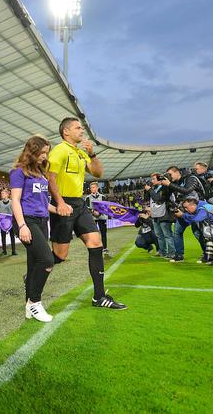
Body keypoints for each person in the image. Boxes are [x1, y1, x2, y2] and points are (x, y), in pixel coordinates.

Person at [47, 117, 126, 310]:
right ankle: (35, 272)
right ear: (66, 131)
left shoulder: (81, 153)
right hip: (62, 205)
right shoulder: (59, 150)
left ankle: (99, 296)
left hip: (79, 204)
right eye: (77, 128)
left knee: (96, 244)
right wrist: (59, 203)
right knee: (60, 256)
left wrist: (92, 154)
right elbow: (51, 178)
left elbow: (98, 173)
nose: (82, 131)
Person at [11, 135, 58, 322]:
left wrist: (59, 209)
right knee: (47, 260)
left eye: (47, 153)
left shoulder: (41, 174)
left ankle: (28, 306)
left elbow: (44, 203)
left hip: (41, 221)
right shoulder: (18, 172)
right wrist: (22, 225)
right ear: (32, 151)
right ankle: (34, 302)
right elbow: (15, 200)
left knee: (34, 264)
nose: (45, 157)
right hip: (26, 221)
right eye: (42, 152)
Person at [160, 166, 207, 263]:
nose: (169, 176)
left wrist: (170, 184)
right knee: (177, 232)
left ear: (177, 172)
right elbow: (164, 197)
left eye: (170, 174)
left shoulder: (191, 178)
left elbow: (187, 190)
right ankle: (179, 255)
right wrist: (166, 185)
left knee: (198, 233)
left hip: (197, 209)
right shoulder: (175, 183)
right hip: (184, 210)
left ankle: (208, 254)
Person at [144, 174, 176, 259]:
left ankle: (172, 253)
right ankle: (162, 252)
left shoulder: (164, 188)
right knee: (159, 235)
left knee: (167, 234)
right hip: (155, 214)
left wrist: (150, 189)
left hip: (164, 214)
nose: (152, 181)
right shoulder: (154, 188)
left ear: (159, 180)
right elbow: (147, 199)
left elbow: (158, 199)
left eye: (154, 179)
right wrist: (147, 190)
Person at [84, 182, 110, 257]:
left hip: (102, 217)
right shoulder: (88, 198)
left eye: (94, 187)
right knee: (93, 234)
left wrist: (99, 213)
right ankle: (94, 248)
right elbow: (86, 207)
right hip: (92, 218)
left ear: (97, 188)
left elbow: (105, 207)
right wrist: (93, 212)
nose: (92, 189)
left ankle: (105, 248)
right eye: (91, 188)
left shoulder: (103, 197)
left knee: (103, 233)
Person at [0, 188, 17, 256]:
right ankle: (4, 251)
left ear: (7, 194)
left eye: (3, 193)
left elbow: (14, 211)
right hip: (3, 223)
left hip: (10, 222)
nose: (1, 195)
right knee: (3, 237)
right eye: (1, 193)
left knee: (12, 236)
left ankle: (13, 251)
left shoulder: (11, 202)